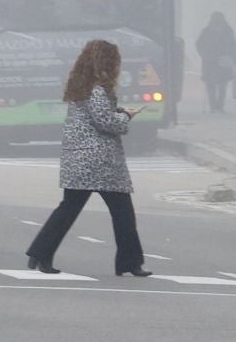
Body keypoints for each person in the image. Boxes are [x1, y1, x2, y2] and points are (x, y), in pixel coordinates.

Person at [25, 39, 151, 277]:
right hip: (100, 162)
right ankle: (130, 262)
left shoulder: (80, 87)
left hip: (79, 160)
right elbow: (105, 121)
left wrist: (119, 111)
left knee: (68, 209)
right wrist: (126, 117)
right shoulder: (98, 89)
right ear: (107, 62)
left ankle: (40, 252)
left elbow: (94, 115)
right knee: (123, 212)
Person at [195, 11, 236, 114]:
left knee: (218, 85)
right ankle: (217, 106)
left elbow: (199, 45)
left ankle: (216, 106)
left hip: (217, 62)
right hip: (213, 62)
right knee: (218, 85)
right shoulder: (225, 31)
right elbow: (234, 46)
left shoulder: (208, 31)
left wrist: (205, 54)